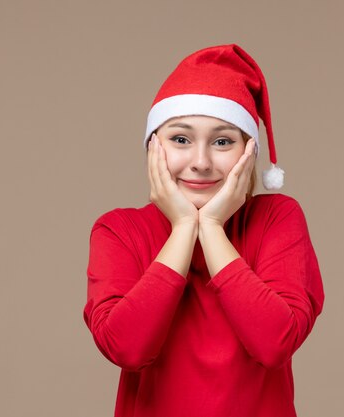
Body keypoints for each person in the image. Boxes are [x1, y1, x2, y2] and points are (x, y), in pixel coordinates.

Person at [83, 44, 325, 417]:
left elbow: (274, 343)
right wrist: (183, 228)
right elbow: (127, 348)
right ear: (152, 148)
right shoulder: (119, 230)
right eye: (180, 139)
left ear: (250, 152)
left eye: (223, 141)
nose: (200, 162)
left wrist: (210, 227)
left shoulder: (278, 218)